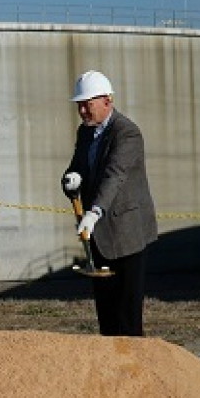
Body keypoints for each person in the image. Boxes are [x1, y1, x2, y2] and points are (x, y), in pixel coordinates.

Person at [61, 70, 158, 337]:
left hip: (127, 235)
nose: (82, 110)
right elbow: (79, 167)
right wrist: (72, 178)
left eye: (87, 104)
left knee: (127, 317)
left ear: (107, 100)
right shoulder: (85, 132)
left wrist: (94, 212)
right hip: (99, 238)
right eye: (79, 105)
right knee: (107, 316)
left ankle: (133, 372)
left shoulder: (126, 133)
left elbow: (114, 176)